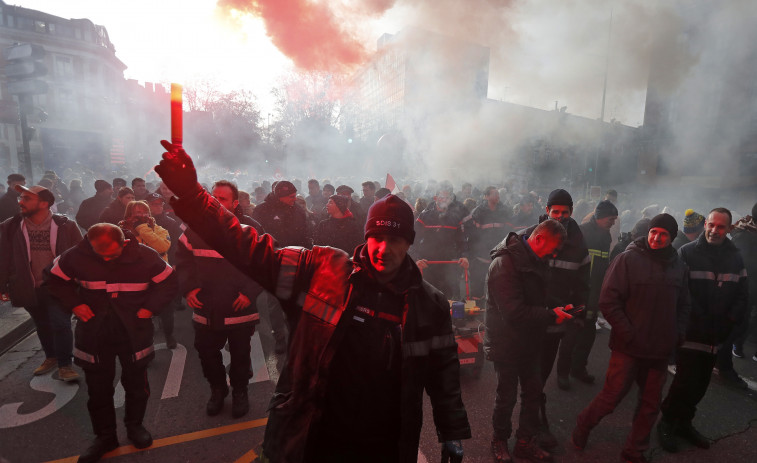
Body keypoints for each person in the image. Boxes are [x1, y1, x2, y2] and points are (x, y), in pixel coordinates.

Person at [155, 141, 471, 463]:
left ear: (409, 242)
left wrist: (452, 432)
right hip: (316, 435)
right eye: (377, 237)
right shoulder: (320, 271)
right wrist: (194, 197)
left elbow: (443, 375)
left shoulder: (430, 304)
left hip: (384, 443)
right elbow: (246, 246)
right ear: (366, 236)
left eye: (396, 239)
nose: (383, 249)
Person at [46, 223, 177, 463]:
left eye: (113, 254)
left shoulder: (146, 256)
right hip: (94, 334)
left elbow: (169, 282)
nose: (106, 258)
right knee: (97, 390)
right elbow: (53, 280)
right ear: (90, 243)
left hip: (134, 331)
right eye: (100, 254)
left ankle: (135, 427)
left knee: (137, 385)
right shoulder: (75, 256)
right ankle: (105, 437)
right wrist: (74, 303)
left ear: (124, 243)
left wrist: (150, 308)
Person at [572, 213, 691, 463]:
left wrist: (677, 334)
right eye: (653, 232)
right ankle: (583, 424)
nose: (657, 237)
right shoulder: (628, 259)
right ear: (647, 232)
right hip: (628, 348)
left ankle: (634, 450)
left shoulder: (678, 266)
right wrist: (628, 333)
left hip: (659, 350)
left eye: (663, 234)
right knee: (611, 397)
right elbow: (608, 300)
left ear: (671, 238)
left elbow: (684, 305)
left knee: (650, 406)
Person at [657, 207, 748, 453]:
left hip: (716, 336)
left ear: (729, 229)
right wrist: (699, 318)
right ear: (704, 224)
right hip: (691, 332)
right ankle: (667, 423)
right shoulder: (686, 253)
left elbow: (742, 294)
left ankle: (685, 423)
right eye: (711, 224)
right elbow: (678, 290)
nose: (714, 230)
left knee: (701, 383)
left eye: (720, 227)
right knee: (684, 381)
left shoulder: (736, 257)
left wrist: (730, 320)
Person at [177, 184, 265, 419]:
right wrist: (189, 288)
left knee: (240, 354)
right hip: (206, 305)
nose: (215, 202)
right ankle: (218, 389)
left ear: (235, 203)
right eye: (212, 197)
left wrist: (249, 292)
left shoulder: (250, 229)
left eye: (222, 199)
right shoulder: (193, 229)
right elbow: (183, 262)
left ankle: (240, 392)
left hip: (239, 305)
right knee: (206, 352)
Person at [486, 219, 571, 463]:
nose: (554, 254)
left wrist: (555, 308)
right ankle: (499, 440)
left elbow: (537, 298)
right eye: (553, 248)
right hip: (507, 342)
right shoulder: (504, 264)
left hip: (531, 340)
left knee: (533, 394)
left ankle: (525, 442)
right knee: (507, 397)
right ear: (539, 238)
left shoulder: (537, 258)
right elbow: (513, 312)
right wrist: (549, 315)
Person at [520, 189, 589, 448]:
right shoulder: (530, 234)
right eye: (555, 211)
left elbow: (583, 283)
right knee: (529, 373)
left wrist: (579, 316)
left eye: (565, 212)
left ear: (571, 212)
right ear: (547, 210)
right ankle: (534, 423)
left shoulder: (579, 242)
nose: (560, 216)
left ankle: (534, 419)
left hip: (557, 322)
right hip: (529, 318)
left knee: (541, 371)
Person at [0, 185, 83, 381]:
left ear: (44, 203)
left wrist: (84, 284)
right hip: (28, 286)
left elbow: (80, 256)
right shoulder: (9, 227)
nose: (21, 202)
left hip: (59, 286)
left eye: (27, 198)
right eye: (21, 198)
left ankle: (65, 365)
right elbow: (3, 258)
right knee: (42, 325)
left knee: (61, 324)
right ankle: (51, 357)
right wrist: (2, 286)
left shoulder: (65, 225)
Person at [556, 200, 618, 388]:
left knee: (588, 335)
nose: (613, 222)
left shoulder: (606, 236)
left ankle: (578, 369)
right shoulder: (580, 232)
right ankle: (563, 374)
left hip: (594, 293)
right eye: (611, 218)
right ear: (600, 216)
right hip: (577, 293)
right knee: (571, 336)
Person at [414, 185, 469, 300]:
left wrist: (464, 256)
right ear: (435, 198)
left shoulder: (455, 218)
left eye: (448, 198)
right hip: (428, 263)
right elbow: (413, 240)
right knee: (428, 297)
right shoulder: (425, 216)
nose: (445, 200)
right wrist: (416, 259)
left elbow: (462, 240)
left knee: (449, 297)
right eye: (442, 197)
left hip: (449, 263)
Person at [465, 186, 512, 301]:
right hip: (481, 255)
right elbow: (472, 236)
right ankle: (477, 307)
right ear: (486, 196)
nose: (498, 196)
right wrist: (474, 252)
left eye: (498, 194)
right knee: (478, 283)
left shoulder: (504, 210)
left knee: (499, 283)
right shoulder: (478, 212)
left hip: (498, 254)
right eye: (494, 194)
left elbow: (509, 232)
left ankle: (496, 306)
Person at [731, 204, 757, 361]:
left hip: (747, 283)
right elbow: (742, 261)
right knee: (744, 316)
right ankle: (737, 345)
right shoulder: (744, 236)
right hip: (748, 283)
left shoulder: (741, 229)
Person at [252, 180, 312, 249]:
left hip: (295, 254)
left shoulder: (298, 209)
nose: (295, 199)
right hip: (271, 254)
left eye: (295, 195)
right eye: (291, 197)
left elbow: (305, 234)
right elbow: (257, 235)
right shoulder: (261, 210)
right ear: (280, 197)